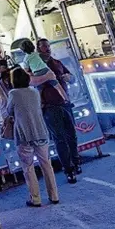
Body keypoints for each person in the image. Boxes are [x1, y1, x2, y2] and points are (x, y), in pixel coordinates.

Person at [3, 67, 60, 207]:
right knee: (46, 164)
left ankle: (36, 198)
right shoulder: (34, 92)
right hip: (40, 131)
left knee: (28, 167)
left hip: (24, 134)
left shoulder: (13, 93)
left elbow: (9, 111)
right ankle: (54, 195)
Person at [36, 38, 81, 180]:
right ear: (38, 49)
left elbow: (73, 78)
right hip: (50, 107)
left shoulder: (57, 63)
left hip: (65, 103)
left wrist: (69, 77)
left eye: (48, 46)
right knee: (60, 139)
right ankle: (68, 170)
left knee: (72, 135)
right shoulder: (35, 66)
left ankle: (76, 162)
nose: (48, 48)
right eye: (44, 46)